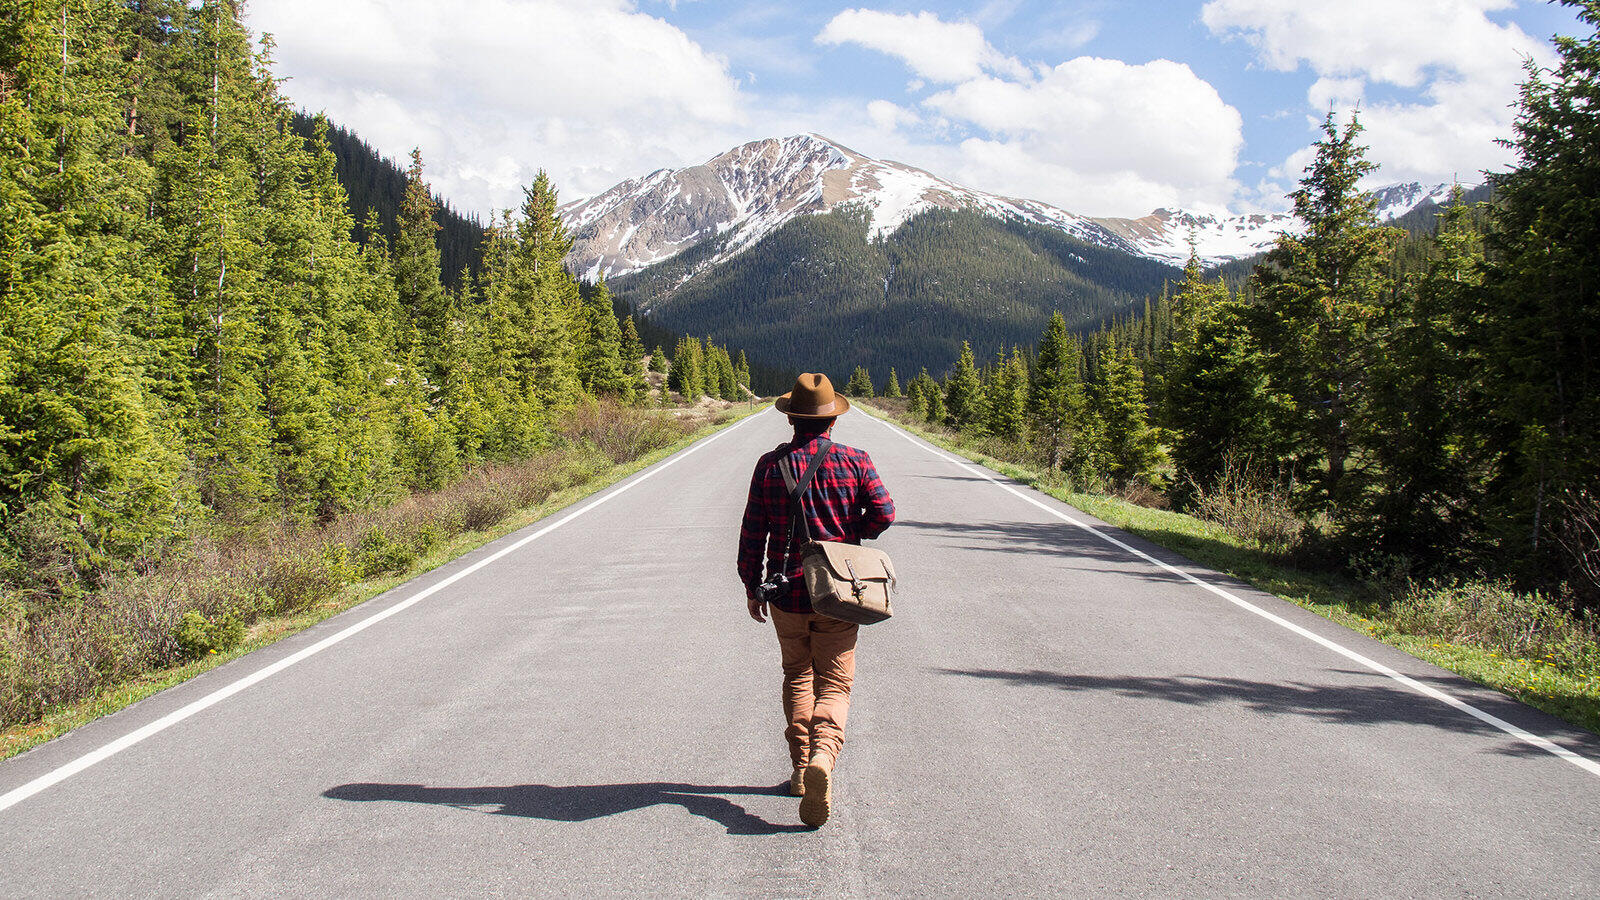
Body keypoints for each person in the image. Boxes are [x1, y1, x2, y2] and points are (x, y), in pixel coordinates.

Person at [736, 373, 896, 828]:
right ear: (832, 421)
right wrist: (849, 533)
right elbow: (884, 512)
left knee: (797, 676)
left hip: (786, 592)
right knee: (835, 684)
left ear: (791, 419)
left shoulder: (769, 466)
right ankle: (824, 755)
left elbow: (753, 531)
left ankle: (800, 770)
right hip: (839, 593)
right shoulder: (855, 461)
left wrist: (751, 585)